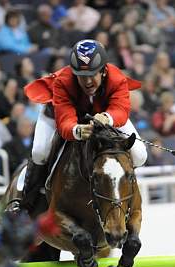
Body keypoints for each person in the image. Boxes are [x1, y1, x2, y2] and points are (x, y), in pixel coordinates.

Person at [19, 39, 147, 212]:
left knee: (140, 154)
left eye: (92, 75)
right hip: (58, 115)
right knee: (39, 151)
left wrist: (107, 118)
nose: (87, 82)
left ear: (103, 71)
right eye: (81, 76)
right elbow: (65, 121)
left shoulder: (116, 78)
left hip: (106, 115)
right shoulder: (63, 81)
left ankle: (123, 194)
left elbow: (121, 110)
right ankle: (27, 200)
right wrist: (77, 131)